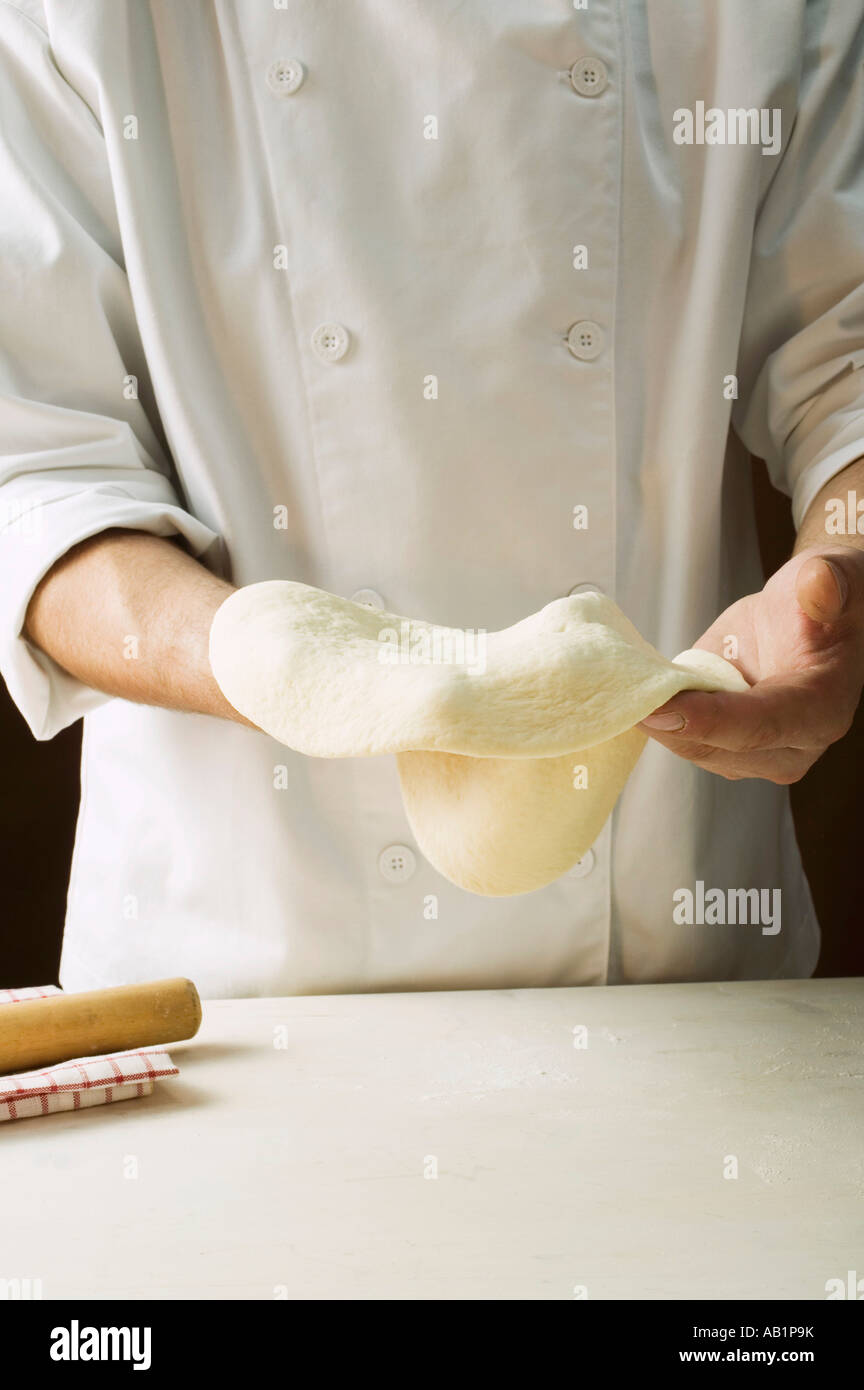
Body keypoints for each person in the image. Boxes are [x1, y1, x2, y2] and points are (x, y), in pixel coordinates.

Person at [1, 0, 862, 998]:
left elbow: (846, 358)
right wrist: (275, 658)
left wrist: (836, 578)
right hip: (239, 981)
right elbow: (37, 475)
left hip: (672, 967)